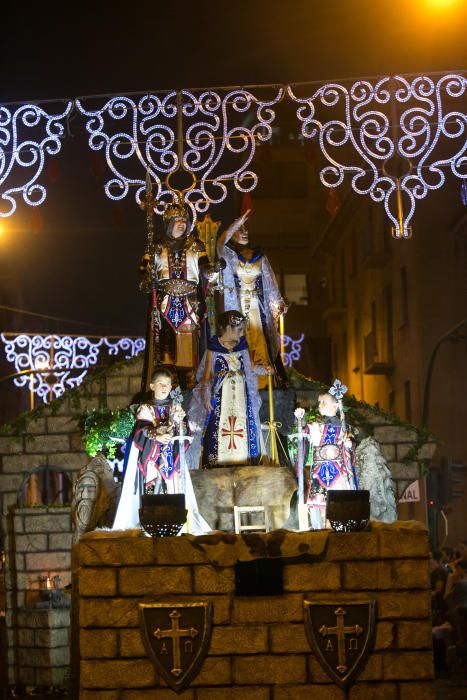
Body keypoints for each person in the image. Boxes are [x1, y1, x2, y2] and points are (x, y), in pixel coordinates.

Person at [112, 367, 209, 533]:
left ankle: (175, 527)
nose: (164, 387)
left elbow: (184, 433)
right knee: (152, 494)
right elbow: (140, 431)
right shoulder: (145, 409)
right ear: (152, 386)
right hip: (152, 461)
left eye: (168, 384)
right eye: (160, 383)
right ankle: (152, 526)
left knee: (172, 490)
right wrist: (156, 436)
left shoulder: (175, 408)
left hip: (172, 460)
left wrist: (180, 424)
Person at [140, 198, 217, 383]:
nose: (181, 225)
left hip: (189, 303)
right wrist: (146, 281)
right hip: (164, 303)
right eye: (177, 222)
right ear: (168, 224)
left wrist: (214, 269)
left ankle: (189, 381)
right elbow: (144, 270)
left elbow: (205, 267)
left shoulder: (195, 245)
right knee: (165, 349)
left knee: (189, 347)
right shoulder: (156, 247)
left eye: (184, 221)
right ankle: (166, 382)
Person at [217, 210, 288, 387]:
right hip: (237, 306)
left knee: (260, 337)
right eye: (240, 229)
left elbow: (269, 281)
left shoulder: (259, 256)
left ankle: (264, 381)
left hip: (257, 307)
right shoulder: (229, 256)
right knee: (242, 338)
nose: (245, 232)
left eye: (246, 228)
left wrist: (278, 303)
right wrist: (236, 222)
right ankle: (243, 376)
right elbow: (219, 243)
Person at [188, 310, 263, 468]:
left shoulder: (242, 346)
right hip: (222, 395)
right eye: (239, 329)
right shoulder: (213, 347)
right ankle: (217, 462)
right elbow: (206, 376)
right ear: (229, 328)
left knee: (242, 425)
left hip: (242, 397)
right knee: (219, 426)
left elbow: (250, 368)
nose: (242, 333)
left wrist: (264, 369)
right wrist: (207, 395)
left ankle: (245, 460)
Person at [304, 391, 357, 529]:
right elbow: (305, 431)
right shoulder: (316, 426)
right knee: (320, 508)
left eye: (324, 402)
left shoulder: (344, 427)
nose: (320, 405)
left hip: (337, 473)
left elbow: (351, 444)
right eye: (319, 402)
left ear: (335, 405)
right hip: (319, 472)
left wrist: (349, 444)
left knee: (338, 508)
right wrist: (300, 420)